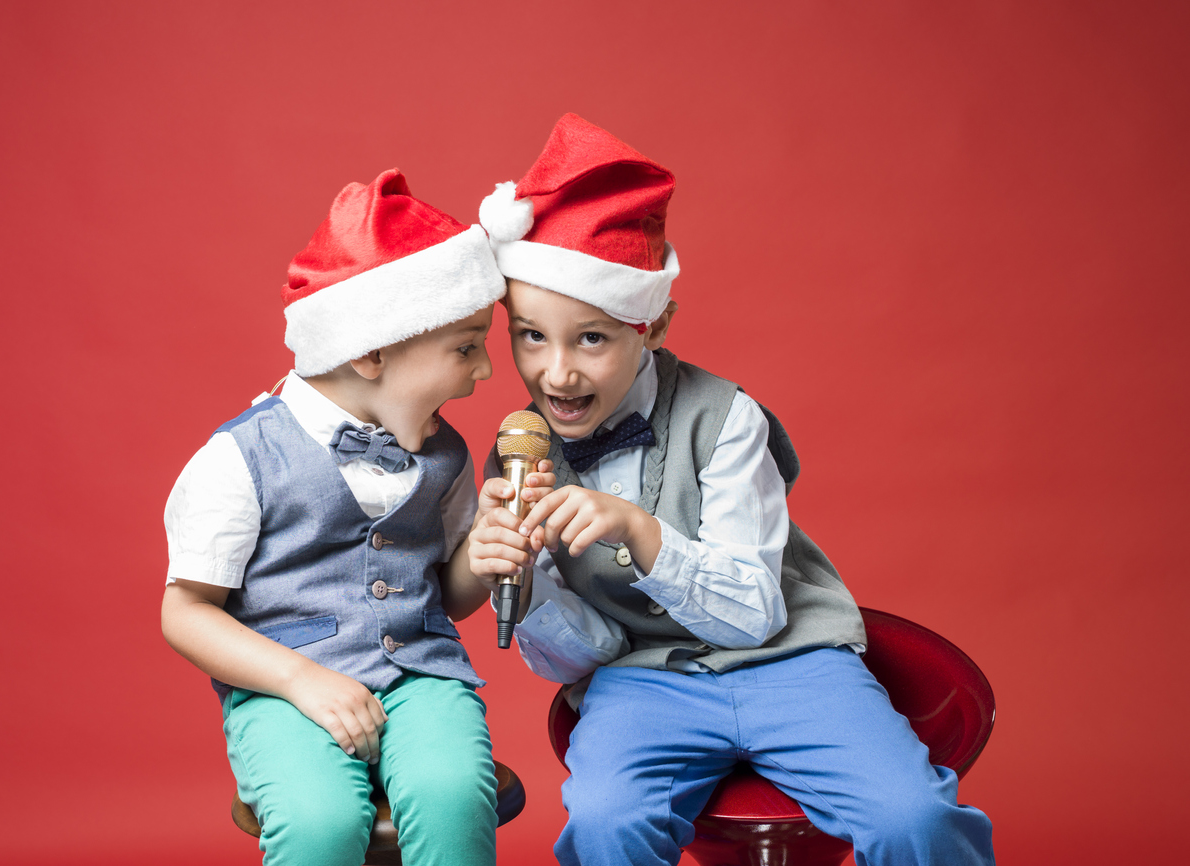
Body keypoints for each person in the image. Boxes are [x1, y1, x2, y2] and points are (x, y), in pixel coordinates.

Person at [468, 114, 995, 866]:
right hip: (642, 681)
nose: (557, 373)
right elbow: (583, 657)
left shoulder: (725, 418)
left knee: (911, 815)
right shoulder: (518, 455)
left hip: (791, 662)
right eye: (530, 336)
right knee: (605, 822)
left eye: (591, 337)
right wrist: (522, 586)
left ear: (651, 326)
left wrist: (636, 529)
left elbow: (753, 614)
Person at [161, 169, 552, 866]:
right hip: (284, 690)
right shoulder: (239, 459)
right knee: (319, 820)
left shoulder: (447, 454)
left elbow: (441, 594)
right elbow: (185, 612)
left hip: (421, 679)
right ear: (372, 352)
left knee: (457, 794)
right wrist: (299, 680)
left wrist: (480, 558)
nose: (487, 371)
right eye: (465, 346)